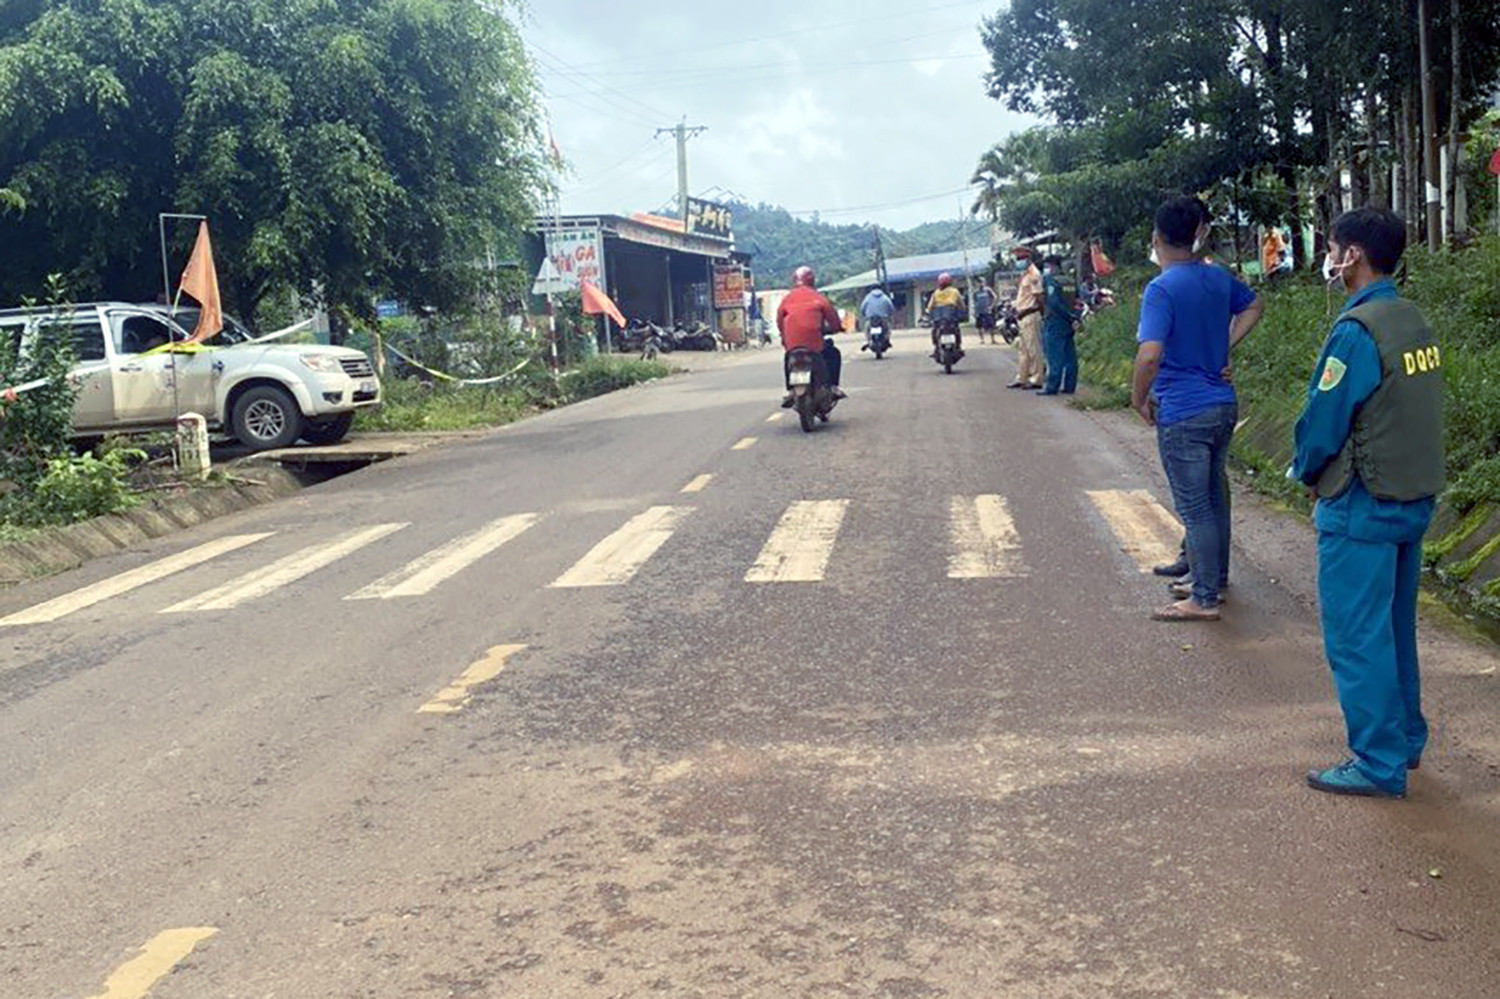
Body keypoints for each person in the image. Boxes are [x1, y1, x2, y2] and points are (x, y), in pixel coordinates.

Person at [1292, 208, 1444, 800]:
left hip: (1362, 503)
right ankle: (1403, 740)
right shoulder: (1411, 319)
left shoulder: (1357, 331)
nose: (1329, 258)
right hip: (1411, 497)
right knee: (1394, 628)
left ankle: (1378, 762)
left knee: (1357, 636)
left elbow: (1325, 419)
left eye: (1333, 248)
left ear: (1352, 255)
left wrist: (1308, 471)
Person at [1131, 196, 1264, 622]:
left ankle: (1203, 597)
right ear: (1196, 235)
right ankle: (1214, 580)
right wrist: (1226, 346)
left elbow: (1149, 355)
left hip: (1183, 410)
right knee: (1214, 497)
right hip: (1222, 405)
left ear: (1157, 238)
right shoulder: (1217, 277)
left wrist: (1137, 397)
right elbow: (1255, 305)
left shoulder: (1161, 289)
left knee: (1195, 507)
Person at [776, 265, 846, 407]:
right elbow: (834, 321)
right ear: (812, 280)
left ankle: (790, 391)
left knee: (788, 358)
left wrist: (785, 337)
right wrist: (836, 328)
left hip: (792, 346)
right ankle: (833, 387)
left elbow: (779, 321)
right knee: (833, 353)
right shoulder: (819, 298)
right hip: (814, 346)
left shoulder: (786, 299)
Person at [1039, 256, 1083, 395]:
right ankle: (1070, 386)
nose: (1046, 270)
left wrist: (1067, 316)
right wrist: (1074, 317)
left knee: (1054, 356)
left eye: (1047, 266)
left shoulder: (1051, 281)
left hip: (1055, 321)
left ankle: (1052, 387)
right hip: (1069, 323)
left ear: (1052, 266)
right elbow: (1078, 302)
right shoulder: (1070, 281)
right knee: (1070, 355)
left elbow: (1054, 303)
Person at [1008, 250, 1045, 389]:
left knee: (1033, 349)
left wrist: (1040, 312)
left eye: (1021, 258)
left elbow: (1038, 297)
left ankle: (1036, 379)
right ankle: (1022, 377)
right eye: (1017, 258)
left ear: (1028, 259)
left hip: (1030, 315)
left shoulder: (1034, 275)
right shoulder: (1025, 275)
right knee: (1023, 350)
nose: (1019, 261)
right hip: (1023, 316)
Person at [925, 273, 966, 357]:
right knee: (956, 330)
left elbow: (930, 306)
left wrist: (929, 313)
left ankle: (936, 348)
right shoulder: (954, 291)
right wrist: (963, 310)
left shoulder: (936, 293)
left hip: (939, 319)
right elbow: (961, 304)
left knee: (935, 331)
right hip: (951, 317)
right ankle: (958, 346)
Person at [859, 285, 896, 351]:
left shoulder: (868, 297)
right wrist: (889, 314)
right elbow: (891, 307)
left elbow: (862, 308)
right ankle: (886, 340)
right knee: (887, 329)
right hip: (883, 319)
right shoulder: (885, 297)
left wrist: (864, 314)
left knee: (867, 330)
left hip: (871, 319)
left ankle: (869, 341)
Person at [973, 280, 998, 344]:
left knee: (991, 325)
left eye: (981, 282)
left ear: (984, 283)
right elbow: (975, 302)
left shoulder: (988, 290)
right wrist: (975, 311)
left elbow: (995, 297)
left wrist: (991, 306)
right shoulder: (976, 292)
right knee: (979, 326)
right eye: (978, 283)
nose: (980, 284)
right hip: (979, 311)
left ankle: (993, 339)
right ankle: (982, 340)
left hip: (987, 311)